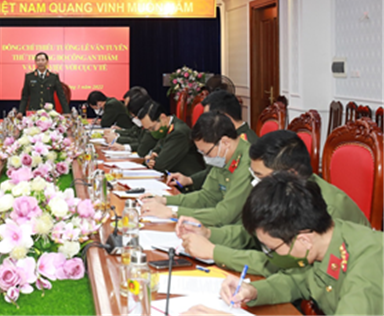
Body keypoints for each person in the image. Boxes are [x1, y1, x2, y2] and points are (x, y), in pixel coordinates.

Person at [176, 130, 369, 276]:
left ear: (289, 174)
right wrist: (209, 234)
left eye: (260, 176)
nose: (254, 183)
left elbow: (285, 267)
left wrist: (215, 252)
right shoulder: (287, 193)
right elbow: (250, 234)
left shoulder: (322, 207)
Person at [218, 172, 383, 315]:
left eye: (271, 248)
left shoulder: (368, 264)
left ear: (304, 240)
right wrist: (253, 291)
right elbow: (298, 281)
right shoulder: (325, 241)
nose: (270, 253)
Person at [141, 111, 251, 227]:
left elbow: (223, 215)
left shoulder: (248, 164)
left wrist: (173, 213)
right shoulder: (223, 156)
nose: (206, 159)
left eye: (206, 153)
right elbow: (206, 197)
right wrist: (164, 200)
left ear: (225, 142)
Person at [167, 90, 258, 192]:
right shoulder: (226, 137)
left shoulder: (247, 145)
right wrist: (190, 180)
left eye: (209, 117)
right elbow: (212, 171)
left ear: (223, 117)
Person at [135, 100, 205, 176]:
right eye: (148, 130)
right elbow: (155, 151)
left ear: (163, 117)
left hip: (186, 179)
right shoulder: (166, 128)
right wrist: (149, 159)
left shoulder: (178, 133)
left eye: (152, 128)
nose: (151, 132)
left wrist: (149, 161)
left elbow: (160, 164)